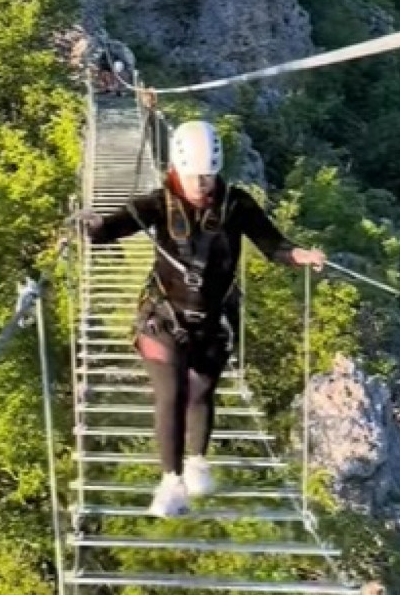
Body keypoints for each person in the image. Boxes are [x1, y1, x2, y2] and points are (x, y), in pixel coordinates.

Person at [82, 120, 325, 517]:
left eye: (208, 175)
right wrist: (93, 227)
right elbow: (115, 226)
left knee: (200, 393)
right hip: (163, 318)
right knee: (172, 393)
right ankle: (171, 482)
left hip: (215, 321)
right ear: (178, 168)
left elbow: (272, 245)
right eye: (194, 175)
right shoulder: (159, 203)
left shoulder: (236, 205)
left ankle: (196, 460)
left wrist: (299, 255)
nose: (201, 183)